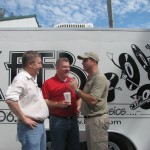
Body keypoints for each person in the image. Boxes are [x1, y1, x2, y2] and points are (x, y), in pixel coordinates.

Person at [5, 51, 49, 150]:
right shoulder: (21, 79)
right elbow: (10, 99)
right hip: (30, 127)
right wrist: (24, 118)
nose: (41, 66)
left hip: (38, 126)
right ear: (30, 64)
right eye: (39, 63)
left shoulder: (31, 79)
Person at [70, 51, 109, 150]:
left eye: (85, 60)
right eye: (82, 60)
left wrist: (76, 89)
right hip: (92, 120)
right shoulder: (91, 78)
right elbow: (87, 97)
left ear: (94, 62)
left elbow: (93, 100)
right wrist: (79, 106)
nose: (82, 62)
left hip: (97, 120)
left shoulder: (99, 78)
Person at [41, 57, 80, 150]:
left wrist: (78, 107)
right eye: (64, 67)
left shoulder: (73, 82)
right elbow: (44, 101)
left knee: (74, 147)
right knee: (58, 147)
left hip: (73, 119)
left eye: (68, 67)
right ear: (57, 67)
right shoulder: (48, 83)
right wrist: (58, 104)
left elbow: (78, 98)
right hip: (57, 121)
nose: (67, 69)